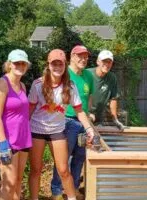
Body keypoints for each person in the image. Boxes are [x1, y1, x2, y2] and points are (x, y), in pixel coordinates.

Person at [28, 49, 94, 200]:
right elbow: (29, 110)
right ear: (48, 65)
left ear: (65, 65)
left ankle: (71, 197)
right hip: (36, 130)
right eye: (54, 64)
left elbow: (80, 111)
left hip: (57, 131)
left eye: (60, 64)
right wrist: (21, 131)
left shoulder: (70, 86)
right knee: (36, 170)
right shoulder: (37, 84)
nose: (57, 67)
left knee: (64, 170)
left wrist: (89, 129)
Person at [51, 45, 94, 199]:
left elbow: (88, 98)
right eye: (80, 56)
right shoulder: (64, 72)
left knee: (79, 156)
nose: (83, 59)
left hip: (82, 122)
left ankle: (73, 188)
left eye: (86, 57)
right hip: (66, 121)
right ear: (72, 57)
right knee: (63, 158)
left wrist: (89, 115)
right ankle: (56, 190)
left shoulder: (88, 76)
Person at [0, 49, 32, 200]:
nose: (20, 66)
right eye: (16, 63)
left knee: (18, 181)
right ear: (9, 64)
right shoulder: (2, 83)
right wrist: (3, 145)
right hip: (6, 142)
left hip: (22, 139)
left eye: (23, 63)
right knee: (9, 183)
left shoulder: (22, 86)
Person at [87, 50, 125, 129]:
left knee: (99, 140)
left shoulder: (112, 78)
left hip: (98, 120)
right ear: (98, 62)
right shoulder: (87, 74)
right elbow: (79, 96)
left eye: (109, 62)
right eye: (104, 61)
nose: (107, 64)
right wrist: (87, 113)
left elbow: (113, 98)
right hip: (83, 118)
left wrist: (115, 120)